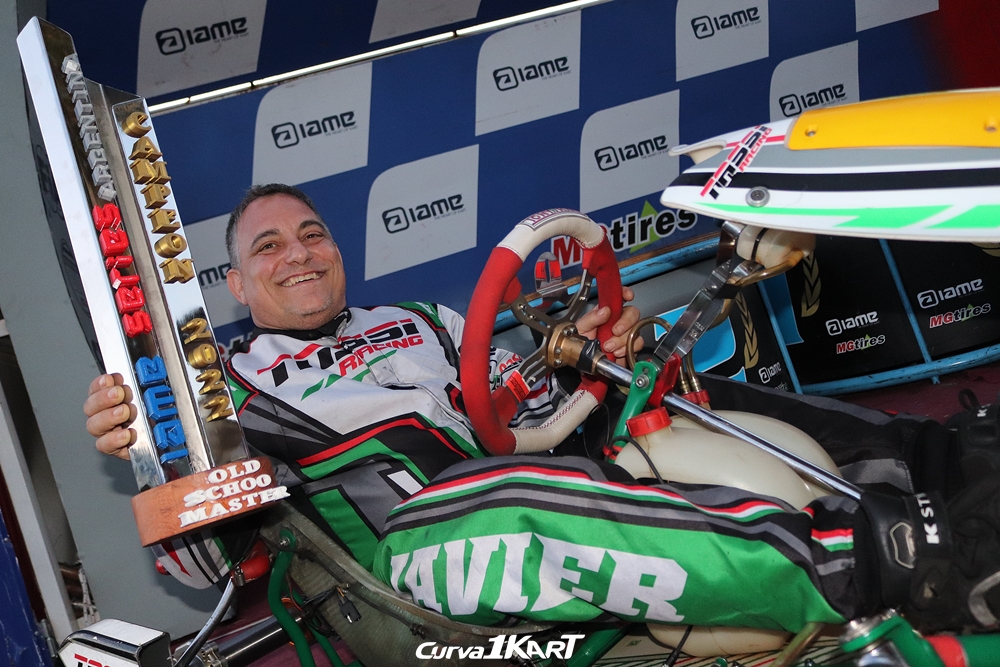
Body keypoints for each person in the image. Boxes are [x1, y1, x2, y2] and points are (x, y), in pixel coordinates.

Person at [86, 184, 1000, 635]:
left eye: (312, 233)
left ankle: (951, 461)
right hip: (410, 558)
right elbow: (207, 562)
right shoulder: (227, 389)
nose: (298, 253)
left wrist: (596, 355)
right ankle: (878, 562)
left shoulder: (418, 320)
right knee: (494, 495)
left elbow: (517, 388)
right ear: (237, 283)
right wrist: (147, 450)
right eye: (268, 247)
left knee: (657, 388)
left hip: (529, 471)